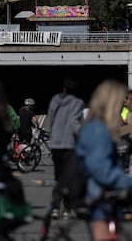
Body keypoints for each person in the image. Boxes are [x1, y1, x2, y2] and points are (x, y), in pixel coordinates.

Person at [76, 80, 132, 241]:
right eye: (120, 101)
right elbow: (102, 171)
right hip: (101, 197)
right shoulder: (99, 130)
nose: (123, 105)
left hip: (105, 196)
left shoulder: (96, 126)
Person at [47, 78, 84, 219]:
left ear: (64, 89)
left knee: (58, 176)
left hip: (56, 143)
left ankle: (55, 207)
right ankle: (68, 208)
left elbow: (51, 118)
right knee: (69, 177)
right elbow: (74, 122)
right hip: (70, 144)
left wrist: (53, 134)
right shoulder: (78, 103)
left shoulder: (55, 100)